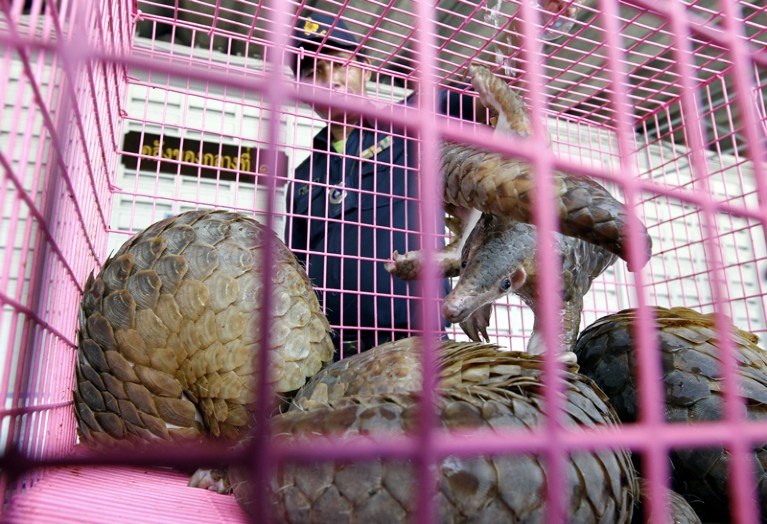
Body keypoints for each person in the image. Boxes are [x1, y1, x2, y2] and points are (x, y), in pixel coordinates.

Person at [285, 13, 492, 360]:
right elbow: (294, 275)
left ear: (365, 68)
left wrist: (538, 23)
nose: (329, 81)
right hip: (331, 359)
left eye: (338, 64)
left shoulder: (412, 120)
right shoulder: (303, 178)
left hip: (417, 347)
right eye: (312, 73)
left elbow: (495, 90)